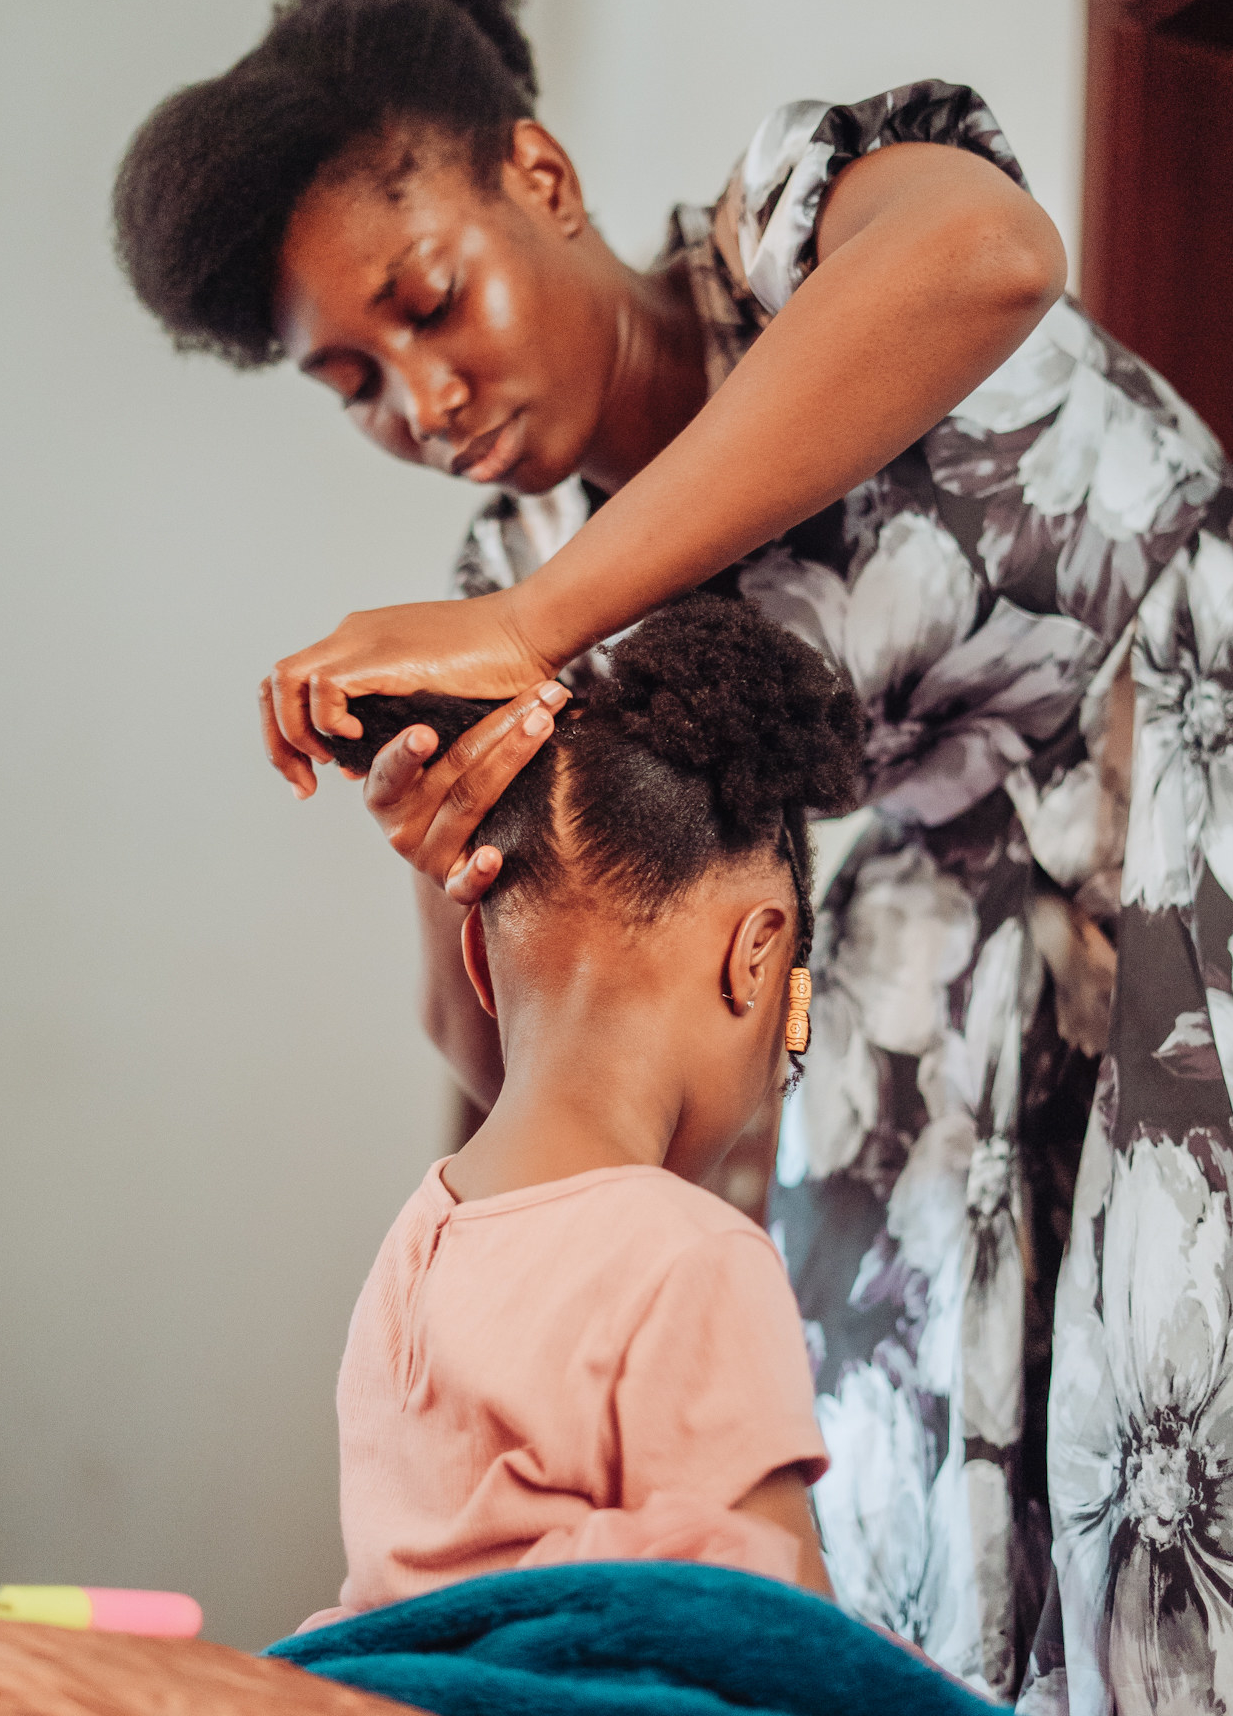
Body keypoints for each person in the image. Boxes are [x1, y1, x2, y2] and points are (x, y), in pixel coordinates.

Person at [113, 0, 1233, 1707]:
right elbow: (520, 1049)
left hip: (1219, 737)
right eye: (353, 382)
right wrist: (449, 859)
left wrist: (539, 629)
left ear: (540, 175)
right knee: (901, 1468)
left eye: (428, 303)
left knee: (1205, 1410)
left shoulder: (780, 221)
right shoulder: (511, 564)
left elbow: (992, 256)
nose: (421, 403)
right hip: (932, 910)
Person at [297, 595, 858, 1625]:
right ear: (758, 956)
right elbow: (783, 1641)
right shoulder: (694, 1259)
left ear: (474, 957)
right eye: (796, 1027)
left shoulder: (415, 1250)